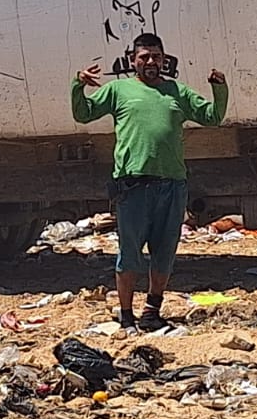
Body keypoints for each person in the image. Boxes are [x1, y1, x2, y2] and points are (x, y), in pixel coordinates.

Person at [71, 33, 228, 331]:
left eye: (156, 56)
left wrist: (219, 89)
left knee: (164, 252)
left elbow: (212, 117)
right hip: (133, 187)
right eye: (144, 57)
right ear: (133, 61)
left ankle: (152, 311)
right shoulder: (119, 90)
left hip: (172, 186)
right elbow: (83, 114)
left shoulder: (176, 91)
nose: (151, 62)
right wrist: (77, 85)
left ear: (164, 60)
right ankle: (126, 316)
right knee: (129, 254)